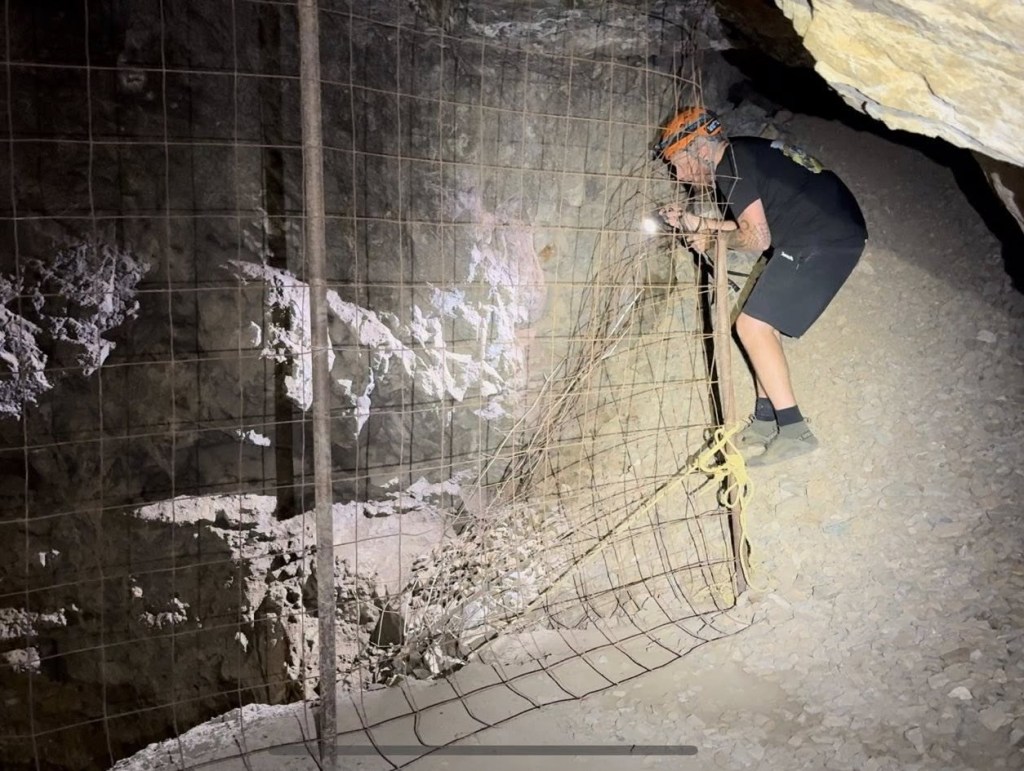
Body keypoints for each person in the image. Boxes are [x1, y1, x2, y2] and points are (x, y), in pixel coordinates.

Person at [653, 106, 868, 466]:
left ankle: (795, 430)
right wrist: (697, 222)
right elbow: (754, 223)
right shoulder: (741, 153)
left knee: (750, 326)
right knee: (760, 324)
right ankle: (767, 419)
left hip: (823, 238)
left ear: (700, 149)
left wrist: (710, 236)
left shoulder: (729, 167)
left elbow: (755, 238)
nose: (678, 174)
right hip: (826, 229)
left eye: (677, 162)